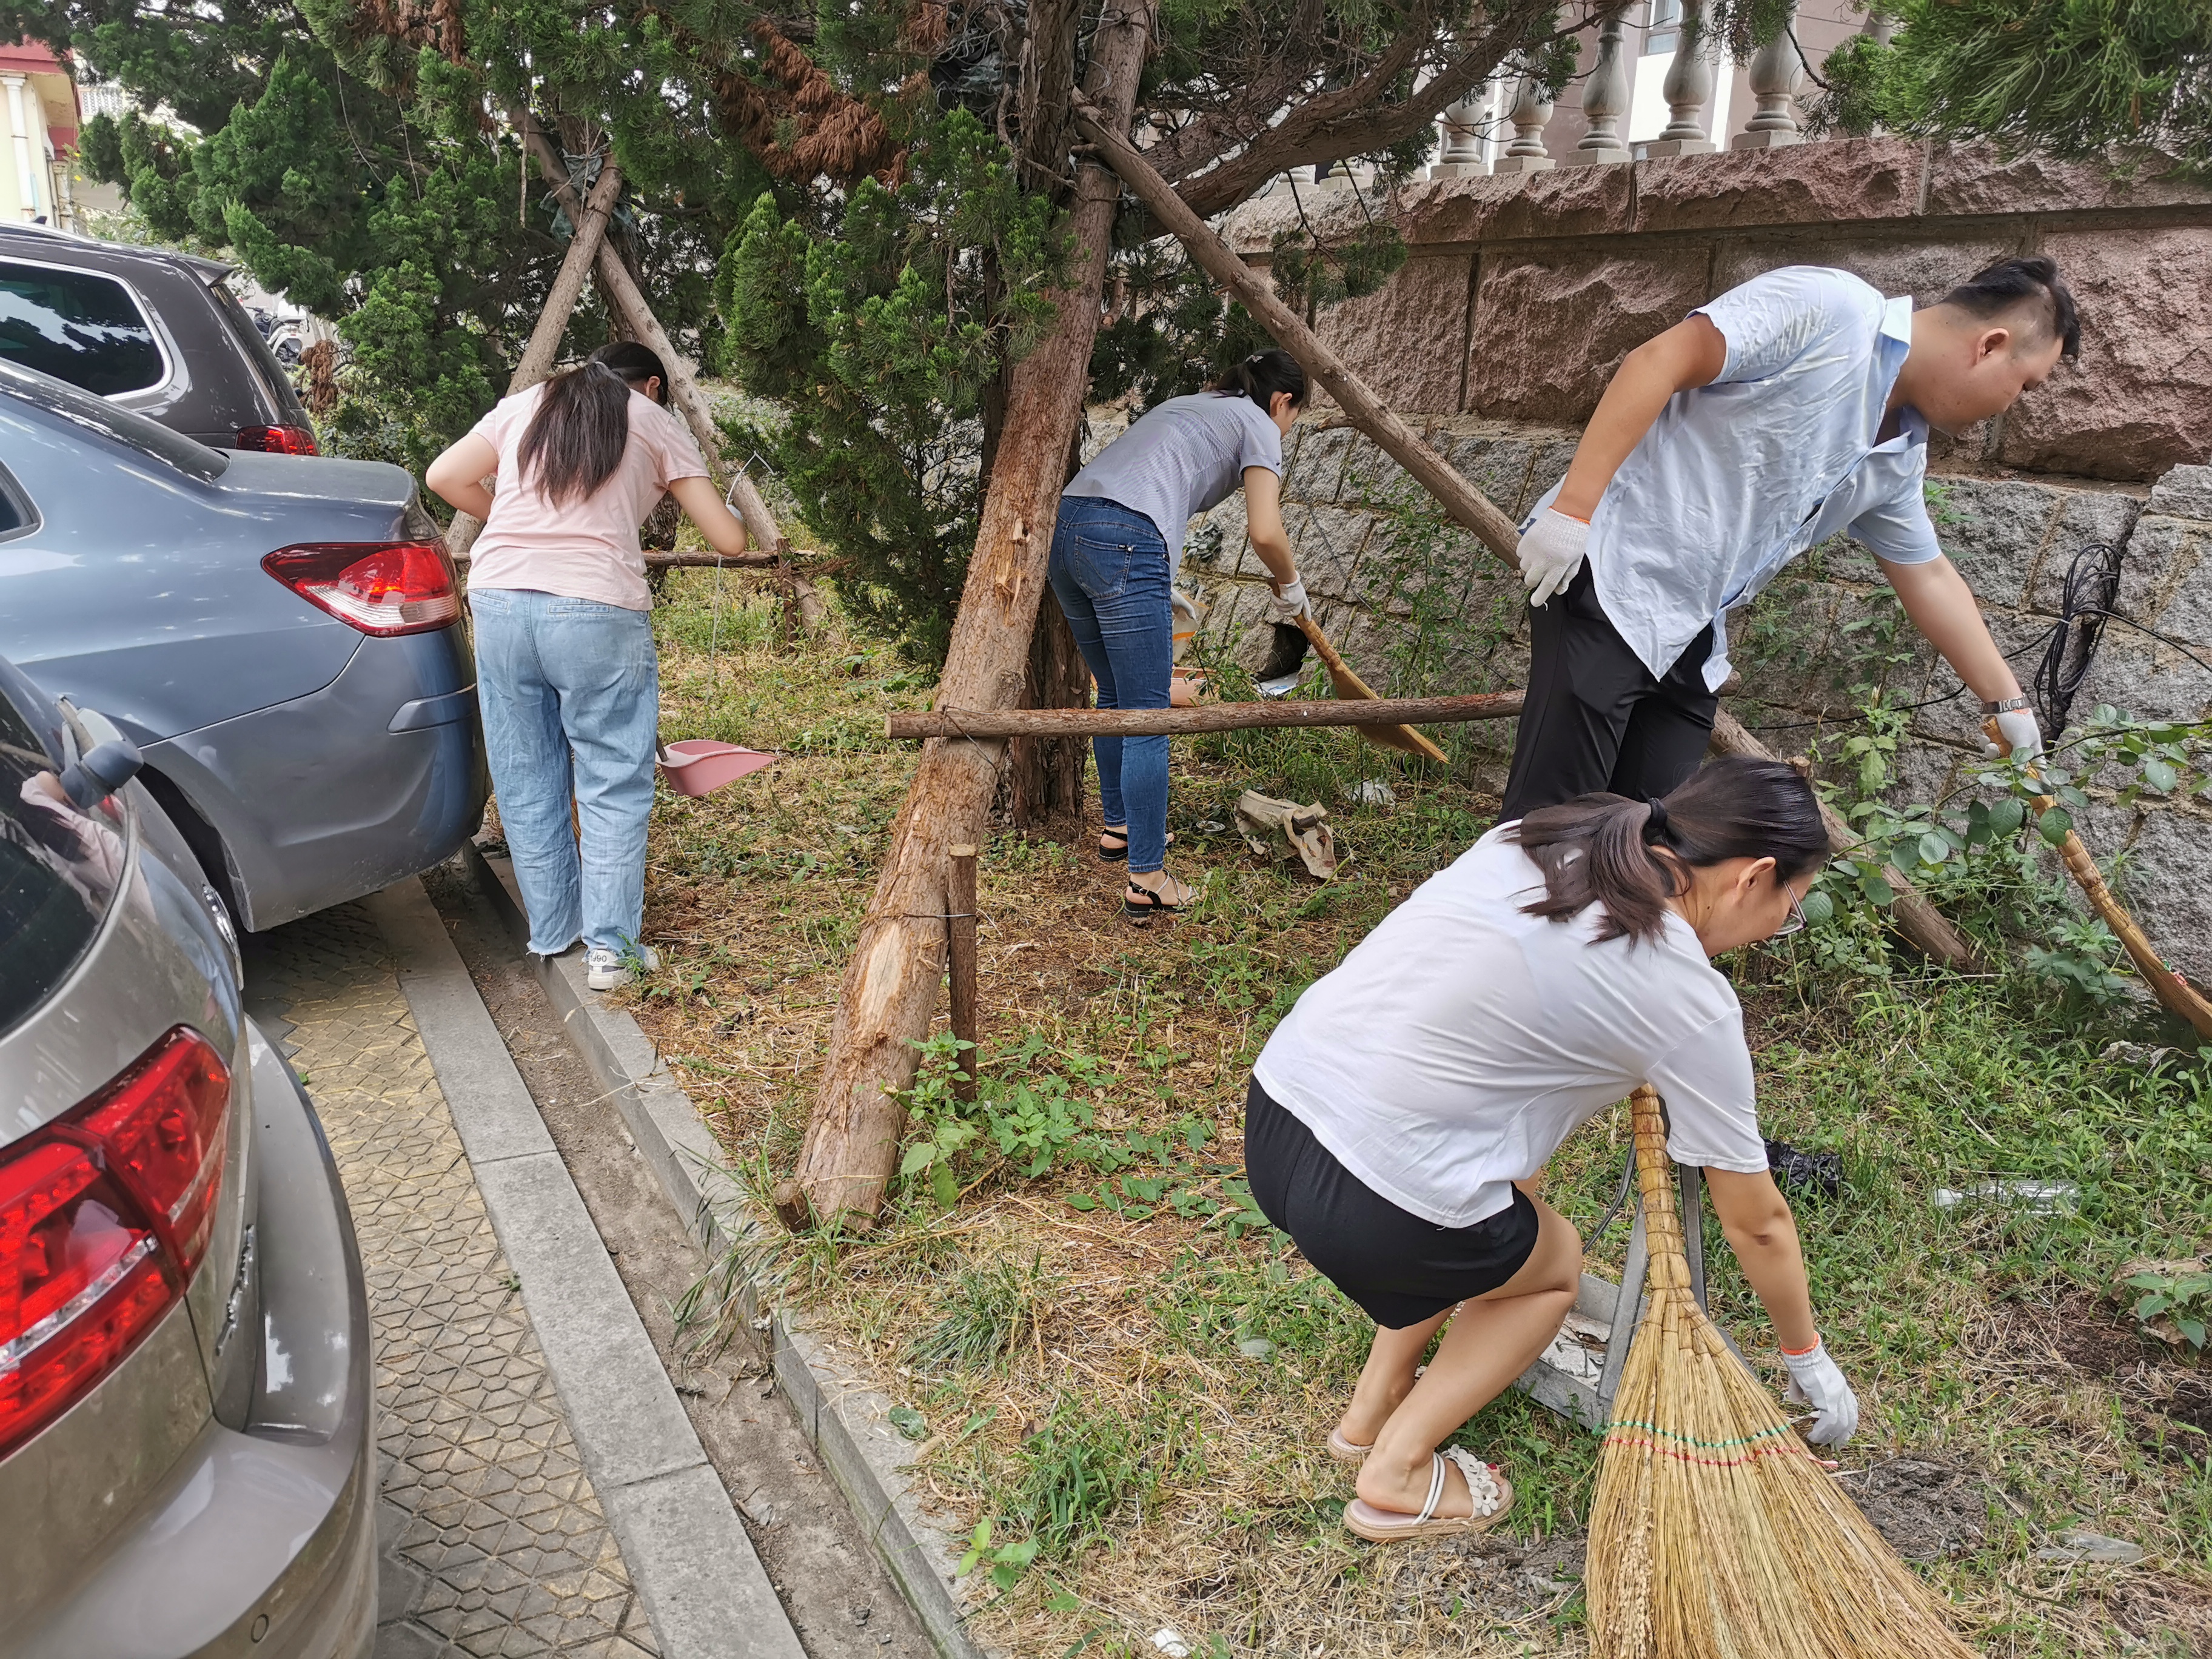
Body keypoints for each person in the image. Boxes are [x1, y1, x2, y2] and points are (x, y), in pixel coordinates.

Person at [1244, 758, 1858, 1543]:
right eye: (1791, 908)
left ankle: (1369, 1412)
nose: (1778, 929)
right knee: (1552, 1266)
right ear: (1754, 876)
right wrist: (1806, 1357)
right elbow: (1758, 1223)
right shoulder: (1686, 993)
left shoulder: (1544, 834)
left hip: (1276, 1113)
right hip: (1374, 1205)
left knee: (1491, 1199)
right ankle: (1395, 1471)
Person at [1502, 256, 2080, 822]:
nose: (2012, 405)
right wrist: (1571, 512)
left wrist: (2009, 705)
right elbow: (1662, 359)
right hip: (1610, 578)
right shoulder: (1830, 308)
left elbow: (1927, 575)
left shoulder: (1899, 457)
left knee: (1661, 847)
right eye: (2024, 386)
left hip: (1691, 633)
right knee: (1555, 839)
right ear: (1990, 345)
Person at [426, 341, 751, 990]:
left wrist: (516, 522)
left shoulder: (528, 403)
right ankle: (611, 952)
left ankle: (552, 932)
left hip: (500, 600)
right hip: (595, 606)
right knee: (610, 779)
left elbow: (445, 477)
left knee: (525, 772)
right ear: (652, 386)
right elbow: (730, 539)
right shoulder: (652, 419)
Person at [1053, 350, 1313, 921]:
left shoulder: (1197, 404)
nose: (1286, 432)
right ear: (1282, 400)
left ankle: (1120, 829)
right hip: (1126, 540)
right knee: (1149, 714)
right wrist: (1291, 586)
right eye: (1294, 418)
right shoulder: (1260, 423)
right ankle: (1147, 879)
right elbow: (1266, 532)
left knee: (1115, 695)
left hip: (1068, 529)